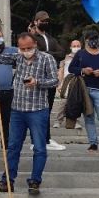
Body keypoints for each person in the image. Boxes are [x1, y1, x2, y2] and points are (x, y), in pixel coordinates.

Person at [0, 32, 58, 195]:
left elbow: (55, 80)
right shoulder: (17, 57)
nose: (26, 51)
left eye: (29, 47)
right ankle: (7, 179)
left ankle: (35, 181)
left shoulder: (46, 58)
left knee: (40, 148)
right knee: (13, 147)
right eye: (23, 48)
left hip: (38, 110)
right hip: (17, 110)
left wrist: (38, 82)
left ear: (35, 44)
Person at [68, 29, 99, 153]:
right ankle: (93, 143)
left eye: (96, 38)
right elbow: (71, 68)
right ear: (86, 40)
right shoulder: (80, 54)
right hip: (84, 90)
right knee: (89, 117)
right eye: (91, 39)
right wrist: (83, 70)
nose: (94, 41)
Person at [31, 11, 66, 150]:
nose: (45, 23)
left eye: (47, 20)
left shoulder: (50, 38)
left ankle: (46, 139)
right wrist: (51, 55)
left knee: (48, 109)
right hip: (38, 78)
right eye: (42, 20)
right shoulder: (32, 37)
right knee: (39, 110)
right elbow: (36, 53)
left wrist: (47, 54)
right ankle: (37, 140)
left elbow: (62, 52)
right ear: (36, 22)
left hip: (51, 78)